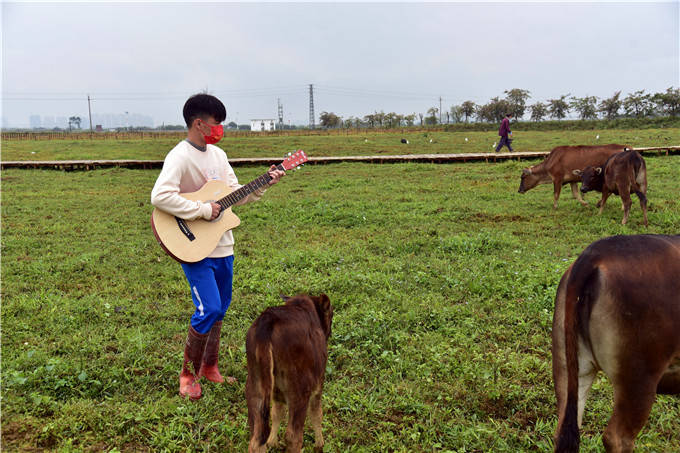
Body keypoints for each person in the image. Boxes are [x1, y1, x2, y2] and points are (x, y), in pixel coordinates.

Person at [151, 93, 285, 400]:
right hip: (194, 247)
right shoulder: (179, 157)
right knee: (207, 307)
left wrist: (265, 182)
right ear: (199, 123)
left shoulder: (219, 156)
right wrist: (201, 210)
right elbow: (160, 197)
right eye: (216, 122)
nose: (220, 128)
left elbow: (237, 194)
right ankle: (187, 375)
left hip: (223, 244)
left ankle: (210, 368)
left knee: (220, 310)